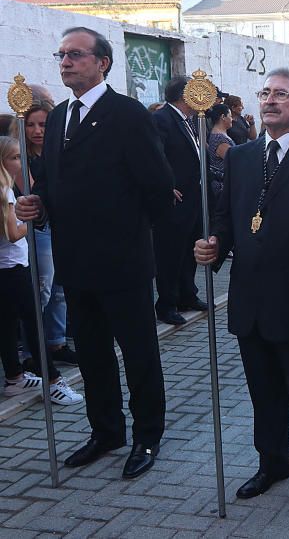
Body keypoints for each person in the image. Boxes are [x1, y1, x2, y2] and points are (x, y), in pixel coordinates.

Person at [16, 27, 174, 480]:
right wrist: (38, 203)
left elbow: (159, 188)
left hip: (122, 261)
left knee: (139, 352)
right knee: (92, 352)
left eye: (75, 55)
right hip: (75, 259)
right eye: (61, 54)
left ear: (102, 62)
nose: (65, 62)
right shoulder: (61, 115)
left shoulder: (128, 115)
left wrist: (130, 232)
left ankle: (147, 434)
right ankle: (106, 429)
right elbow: (51, 180)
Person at [194, 67, 289, 513]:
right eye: (265, 93)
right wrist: (215, 244)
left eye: (282, 94)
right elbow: (227, 217)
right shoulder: (240, 157)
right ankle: (274, 461)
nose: (270, 100)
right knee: (264, 390)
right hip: (251, 297)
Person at [0, 137, 83, 405]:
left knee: (8, 323)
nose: (20, 162)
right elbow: (12, 233)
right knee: (33, 322)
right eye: (14, 157)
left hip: (8, 267)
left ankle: (14, 377)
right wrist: (31, 221)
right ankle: (53, 381)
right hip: (12, 267)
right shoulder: (5, 191)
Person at [9, 93, 75, 366]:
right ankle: (30, 351)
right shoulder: (18, 155)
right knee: (42, 289)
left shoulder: (53, 153)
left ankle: (56, 343)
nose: (37, 131)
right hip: (36, 229)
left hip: (58, 225)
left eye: (44, 125)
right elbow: (34, 192)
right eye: (31, 125)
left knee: (59, 288)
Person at [152, 76, 208, 327]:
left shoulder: (190, 121)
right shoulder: (162, 119)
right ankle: (167, 303)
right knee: (171, 253)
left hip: (194, 196)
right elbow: (155, 154)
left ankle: (188, 294)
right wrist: (166, 185)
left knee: (189, 249)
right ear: (185, 95)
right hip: (175, 198)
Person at [207, 103, 235, 201]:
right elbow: (234, 161)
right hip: (222, 186)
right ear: (223, 117)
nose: (232, 119)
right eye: (230, 116)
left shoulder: (220, 134)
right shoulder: (220, 139)